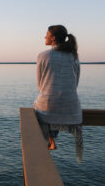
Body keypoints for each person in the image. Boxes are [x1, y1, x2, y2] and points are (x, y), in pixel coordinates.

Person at [34, 25, 83, 163]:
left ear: (53, 38)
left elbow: (40, 85)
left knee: (40, 108)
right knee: (51, 108)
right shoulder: (74, 56)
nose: (44, 37)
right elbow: (76, 82)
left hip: (49, 106)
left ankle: (50, 139)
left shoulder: (43, 55)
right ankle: (51, 138)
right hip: (72, 108)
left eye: (46, 34)